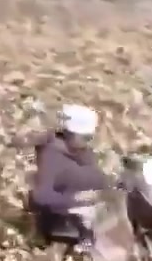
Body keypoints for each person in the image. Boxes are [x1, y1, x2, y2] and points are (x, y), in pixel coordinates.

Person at [26, 104, 111, 245]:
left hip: (87, 213)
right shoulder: (52, 155)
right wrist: (76, 199)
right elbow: (40, 196)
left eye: (90, 137)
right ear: (69, 133)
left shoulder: (81, 151)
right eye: (86, 137)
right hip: (60, 220)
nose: (89, 141)